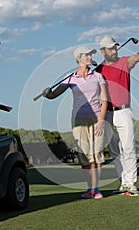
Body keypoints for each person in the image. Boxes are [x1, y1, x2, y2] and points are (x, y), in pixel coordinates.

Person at [96, 36, 139, 196]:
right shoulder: (98, 71)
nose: (114, 50)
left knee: (129, 148)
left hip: (124, 111)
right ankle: (123, 183)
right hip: (107, 114)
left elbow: (137, 57)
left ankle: (131, 184)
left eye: (115, 47)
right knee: (114, 151)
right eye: (110, 48)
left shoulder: (124, 62)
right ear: (102, 51)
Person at [43, 46, 108, 199]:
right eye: (88, 55)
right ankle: (90, 188)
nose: (91, 57)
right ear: (79, 58)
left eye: (91, 55)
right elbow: (54, 95)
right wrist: (47, 94)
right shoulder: (70, 77)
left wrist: (101, 121)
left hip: (96, 118)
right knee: (84, 155)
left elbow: (104, 100)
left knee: (96, 154)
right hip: (78, 120)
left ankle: (96, 188)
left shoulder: (97, 76)